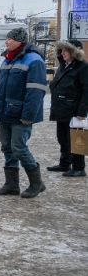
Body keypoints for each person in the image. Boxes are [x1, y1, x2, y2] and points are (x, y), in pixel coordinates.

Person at [0, 27, 48, 198]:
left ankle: (37, 183)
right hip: (4, 113)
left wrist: (29, 116)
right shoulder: (7, 60)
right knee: (7, 148)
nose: (6, 42)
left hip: (21, 115)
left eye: (9, 39)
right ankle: (11, 185)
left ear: (20, 41)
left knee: (19, 147)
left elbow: (36, 92)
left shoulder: (34, 60)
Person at [46, 39, 88, 177]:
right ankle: (65, 163)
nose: (62, 53)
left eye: (65, 50)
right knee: (62, 138)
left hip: (74, 110)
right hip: (62, 108)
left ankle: (79, 167)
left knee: (76, 139)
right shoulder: (64, 66)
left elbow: (86, 90)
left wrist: (82, 111)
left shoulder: (82, 67)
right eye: (61, 50)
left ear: (74, 52)